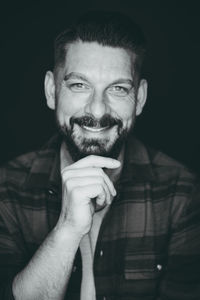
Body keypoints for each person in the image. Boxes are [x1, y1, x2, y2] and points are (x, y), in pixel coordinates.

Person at [0, 10, 200, 300]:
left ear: (140, 99)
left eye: (118, 89)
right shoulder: (5, 190)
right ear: (51, 90)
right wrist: (67, 230)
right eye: (79, 85)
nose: (97, 110)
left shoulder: (182, 194)